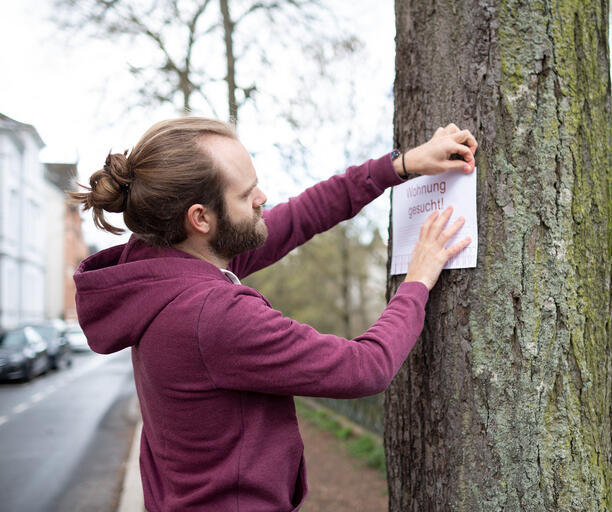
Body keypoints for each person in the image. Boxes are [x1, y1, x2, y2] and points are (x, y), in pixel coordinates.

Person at [72, 117, 478, 511]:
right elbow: (365, 367)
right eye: (246, 193)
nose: (261, 197)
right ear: (200, 218)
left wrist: (401, 166)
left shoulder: (163, 271)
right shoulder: (213, 315)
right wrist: (417, 281)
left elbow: (301, 216)